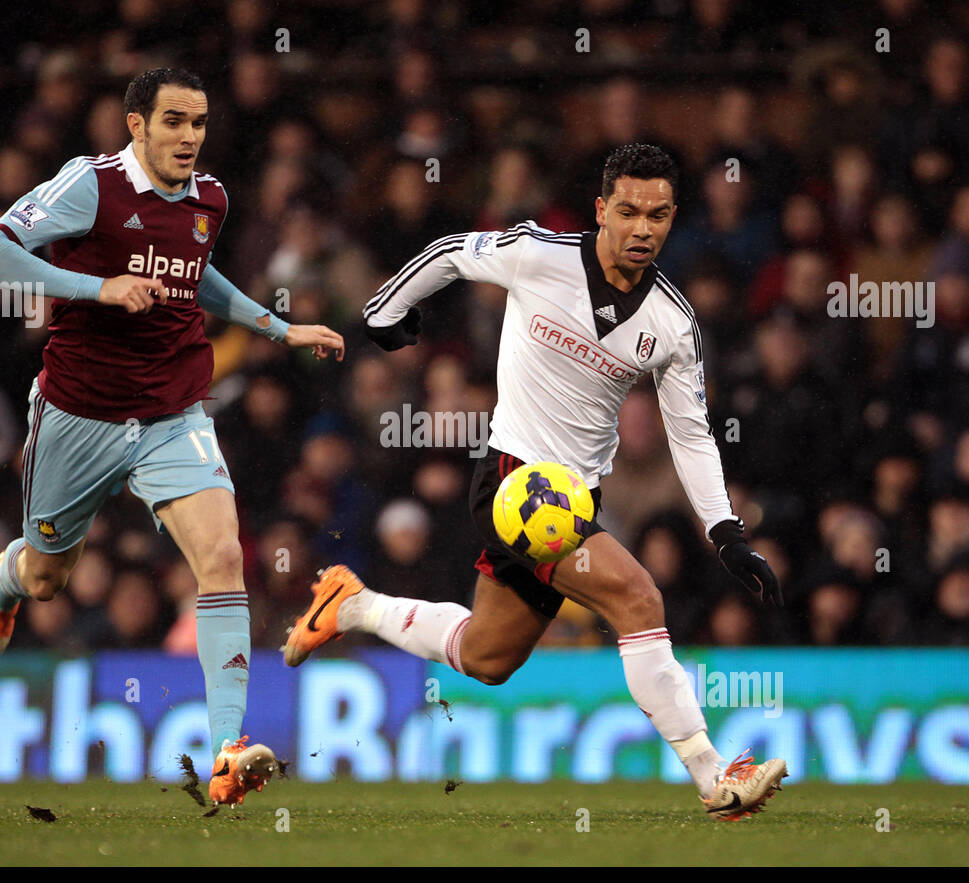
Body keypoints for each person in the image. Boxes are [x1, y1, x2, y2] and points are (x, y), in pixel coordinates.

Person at [286, 144, 785, 820]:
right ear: (602, 209)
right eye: (630, 211)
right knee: (638, 597)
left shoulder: (672, 323)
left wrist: (725, 532)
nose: (643, 229)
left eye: (660, 216)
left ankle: (351, 606)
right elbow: (454, 252)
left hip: (574, 501)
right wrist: (383, 313)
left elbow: (691, 434)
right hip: (511, 481)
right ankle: (714, 778)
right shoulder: (540, 254)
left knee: (487, 657)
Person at [0, 68, 344, 807]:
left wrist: (279, 326)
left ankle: (228, 752)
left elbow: (198, 277)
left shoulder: (211, 198)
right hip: (79, 414)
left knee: (222, 558)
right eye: (173, 121)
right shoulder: (90, 185)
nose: (189, 137)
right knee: (50, 577)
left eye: (199, 123)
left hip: (173, 413)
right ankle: (9, 579)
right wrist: (95, 288)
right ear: (136, 124)